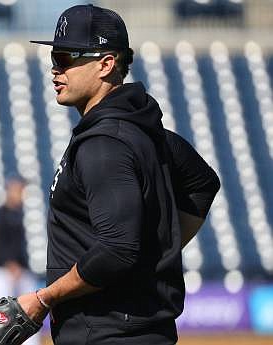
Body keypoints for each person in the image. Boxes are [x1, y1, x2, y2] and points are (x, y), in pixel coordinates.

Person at [16, 4, 221, 345]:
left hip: (107, 332)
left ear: (106, 64)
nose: (55, 70)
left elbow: (117, 249)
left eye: (66, 58)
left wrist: (43, 299)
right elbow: (202, 184)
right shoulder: (144, 131)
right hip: (137, 330)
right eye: (54, 58)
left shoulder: (105, 143)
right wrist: (155, 256)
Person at [0, 176, 40, 345]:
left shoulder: (18, 213)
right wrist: (9, 264)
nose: (20, 193)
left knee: (30, 306)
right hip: (0, 270)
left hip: (19, 270)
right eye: (17, 189)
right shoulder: (0, 213)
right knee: (0, 313)